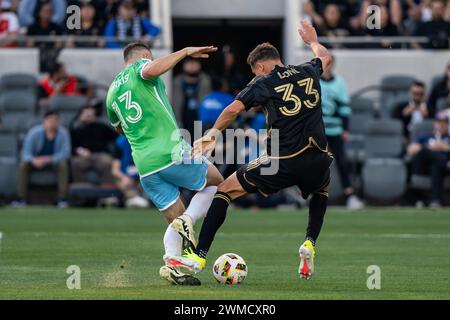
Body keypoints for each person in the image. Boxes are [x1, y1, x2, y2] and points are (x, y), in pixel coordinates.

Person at [168, 21, 333, 281]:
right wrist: (312, 40)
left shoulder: (263, 82)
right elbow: (325, 57)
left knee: (224, 190)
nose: (254, 75)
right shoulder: (308, 70)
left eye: (254, 71)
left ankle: (198, 256)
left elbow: (233, 109)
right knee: (320, 191)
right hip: (319, 158)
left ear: (260, 67)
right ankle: (310, 242)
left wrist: (212, 133)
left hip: (284, 161)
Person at [105, 42, 223, 285]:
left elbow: (119, 127)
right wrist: (184, 52)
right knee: (215, 182)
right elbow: (149, 71)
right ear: (145, 56)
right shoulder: (140, 67)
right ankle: (188, 221)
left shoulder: (111, 93)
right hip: (169, 151)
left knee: (175, 217)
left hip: (145, 165)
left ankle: (172, 265)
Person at [320, 55, 364, 209]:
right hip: (319, 129)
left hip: (336, 129)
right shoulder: (314, 82)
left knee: (342, 163)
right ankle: (312, 195)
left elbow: (344, 108)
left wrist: (345, 129)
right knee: (314, 163)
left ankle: (349, 195)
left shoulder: (339, 83)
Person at [13, 110, 70, 208]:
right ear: (44, 121)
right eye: (50, 120)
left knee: (63, 164)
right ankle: (20, 199)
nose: (53, 122)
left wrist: (49, 159)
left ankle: (62, 199)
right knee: (23, 165)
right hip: (35, 162)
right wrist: (33, 160)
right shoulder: (34, 133)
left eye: (56, 120)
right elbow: (25, 152)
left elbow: (65, 153)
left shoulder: (63, 133)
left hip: (53, 162)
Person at [408, 114, 450, 207]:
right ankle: (445, 163)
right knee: (425, 151)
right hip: (423, 167)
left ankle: (435, 201)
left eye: (445, 123)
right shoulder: (424, 136)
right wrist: (430, 147)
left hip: (441, 171)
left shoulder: (448, 139)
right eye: (439, 123)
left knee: (436, 166)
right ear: (435, 124)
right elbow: (411, 150)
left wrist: (445, 147)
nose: (442, 125)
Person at [70, 106, 117, 185]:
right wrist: (78, 150)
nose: (89, 116)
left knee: (107, 162)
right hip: (83, 156)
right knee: (75, 163)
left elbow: (117, 138)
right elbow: (71, 146)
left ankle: (107, 192)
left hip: (100, 155)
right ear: (80, 116)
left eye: (91, 114)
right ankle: (82, 191)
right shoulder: (76, 129)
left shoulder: (102, 127)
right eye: (86, 114)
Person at [172, 58, 212, 138]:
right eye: (189, 63)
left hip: (200, 119)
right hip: (183, 118)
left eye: (195, 63)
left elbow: (207, 103)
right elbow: (175, 104)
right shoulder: (177, 81)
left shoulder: (205, 80)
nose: (192, 66)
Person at [111, 135, 149, 208]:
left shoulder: (145, 141)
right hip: (126, 176)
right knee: (124, 182)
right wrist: (124, 177)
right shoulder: (120, 143)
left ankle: (136, 199)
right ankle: (134, 198)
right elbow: (115, 171)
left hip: (143, 175)